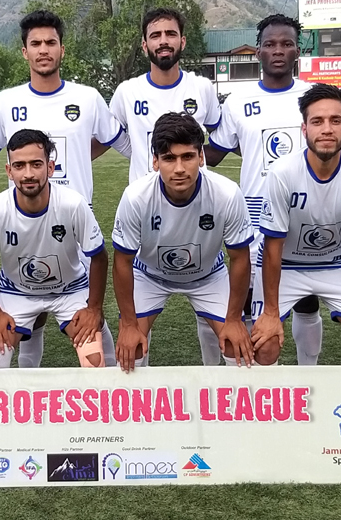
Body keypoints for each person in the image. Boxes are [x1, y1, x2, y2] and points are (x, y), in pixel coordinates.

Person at [0, 10, 129, 368]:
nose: (43, 49)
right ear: (24, 52)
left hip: (75, 225)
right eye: (35, 43)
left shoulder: (87, 97)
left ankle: (109, 393)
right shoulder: (6, 101)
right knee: (29, 318)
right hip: (24, 224)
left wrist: (82, 156)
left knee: (88, 321)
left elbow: (121, 143)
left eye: (51, 42)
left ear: (62, 49)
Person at [205, 14, 323, 366]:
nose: (278, 50)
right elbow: (214, 153)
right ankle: (244, 378)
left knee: (306, 297)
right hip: (255, 211)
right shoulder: (238, 101)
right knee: (249, 294)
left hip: (305, 209)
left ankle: (308, 373)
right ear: (257, 51)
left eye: (286, 43)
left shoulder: (312, 96)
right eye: (270, 43)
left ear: (297, 51)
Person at [109, 7, 223, 365]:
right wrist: (146, 168)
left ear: (182, 41)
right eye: (156, 36)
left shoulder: (202, 88)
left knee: (211, 317)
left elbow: (218, 140)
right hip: (147, 216)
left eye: (170, 34)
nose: (163, 41)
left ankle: (215, 386)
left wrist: (198, 166)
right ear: (145, 44)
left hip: (196, 208)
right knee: (137, 330)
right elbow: (119, 139)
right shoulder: (127, 91)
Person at [250, 84, 341, 366]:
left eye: (335, 121)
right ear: (304, 129)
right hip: (287, 265)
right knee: (264, 347)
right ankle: (272, 408)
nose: (326, 129)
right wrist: (270, 312)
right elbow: (272, 248)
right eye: (317, 121)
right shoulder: (283, 172)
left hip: (337, 263)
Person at [112, 112, 254, 371]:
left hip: (208, 275)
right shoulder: (136, 197)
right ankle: (142, 410)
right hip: (150, 275)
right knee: (132, 351)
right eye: (168, 158)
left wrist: (234, 318)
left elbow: (240, 258)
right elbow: (122, 261)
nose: (179, 168)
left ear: (201, 157)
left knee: (238, 348)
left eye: (187, 157)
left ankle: (226, 406)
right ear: (154, 161)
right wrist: (129, 325)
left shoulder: (227, 193)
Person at [0, 130, 108, 369]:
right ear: (9, 171)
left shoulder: (73, 204)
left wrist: (93, 308)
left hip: (70, 289)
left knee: (94, 360)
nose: (28, 174)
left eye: (36, 164)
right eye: (19, 166)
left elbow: (99, 256)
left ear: (50, 168)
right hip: (17, 292)